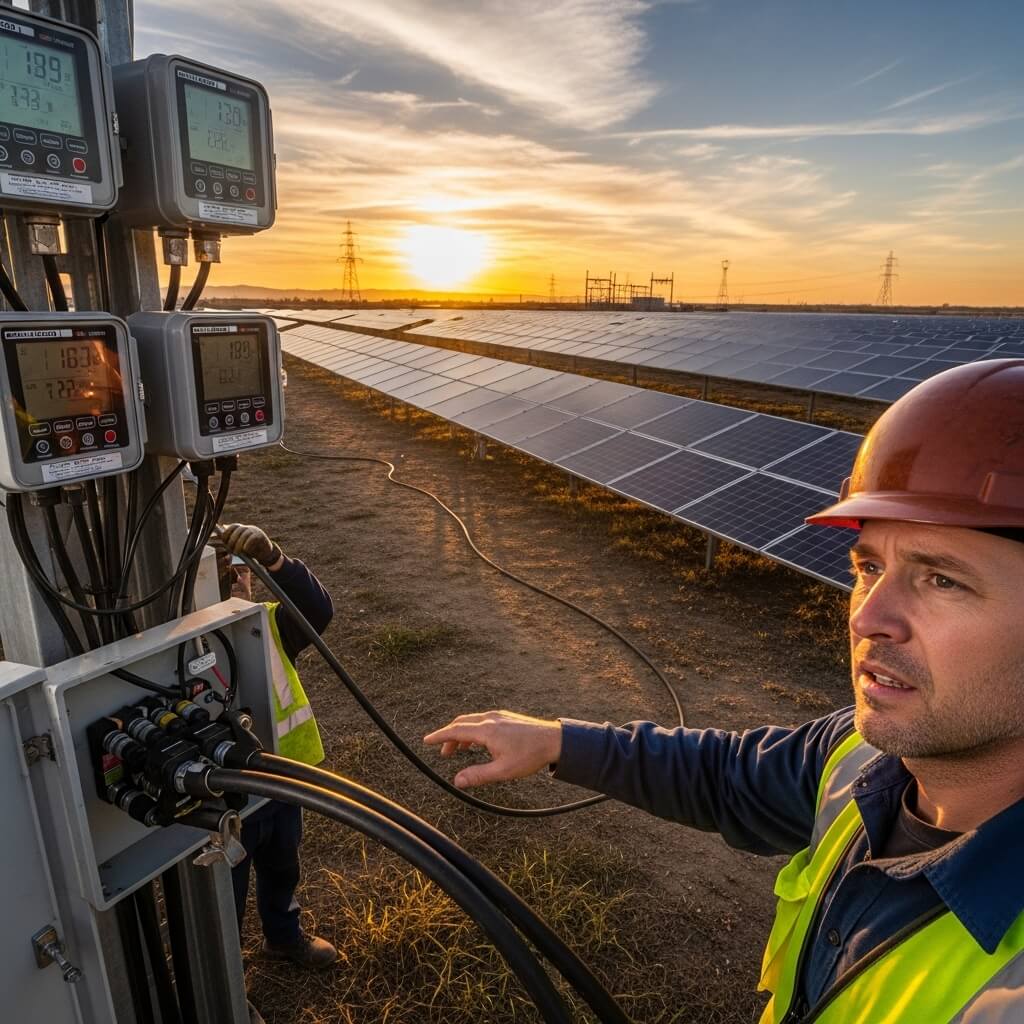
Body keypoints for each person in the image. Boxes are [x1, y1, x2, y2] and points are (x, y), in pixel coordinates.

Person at [424, 359, 1024, 1023]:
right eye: (869, 567)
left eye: (942, 580)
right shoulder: (855, 758)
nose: (866, 618)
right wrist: (556, 742)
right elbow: (727, 775)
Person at [215, 523, 339, 1019]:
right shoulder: (176, 646)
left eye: (242, 573)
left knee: (283, 865)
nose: (236, 582)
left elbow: (318, 610)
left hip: (281, 782)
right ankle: (221, 981)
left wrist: (274, 558)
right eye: (224, 575)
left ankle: (283, 937)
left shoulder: (269, 624)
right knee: (225, 891)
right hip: (222, 798)